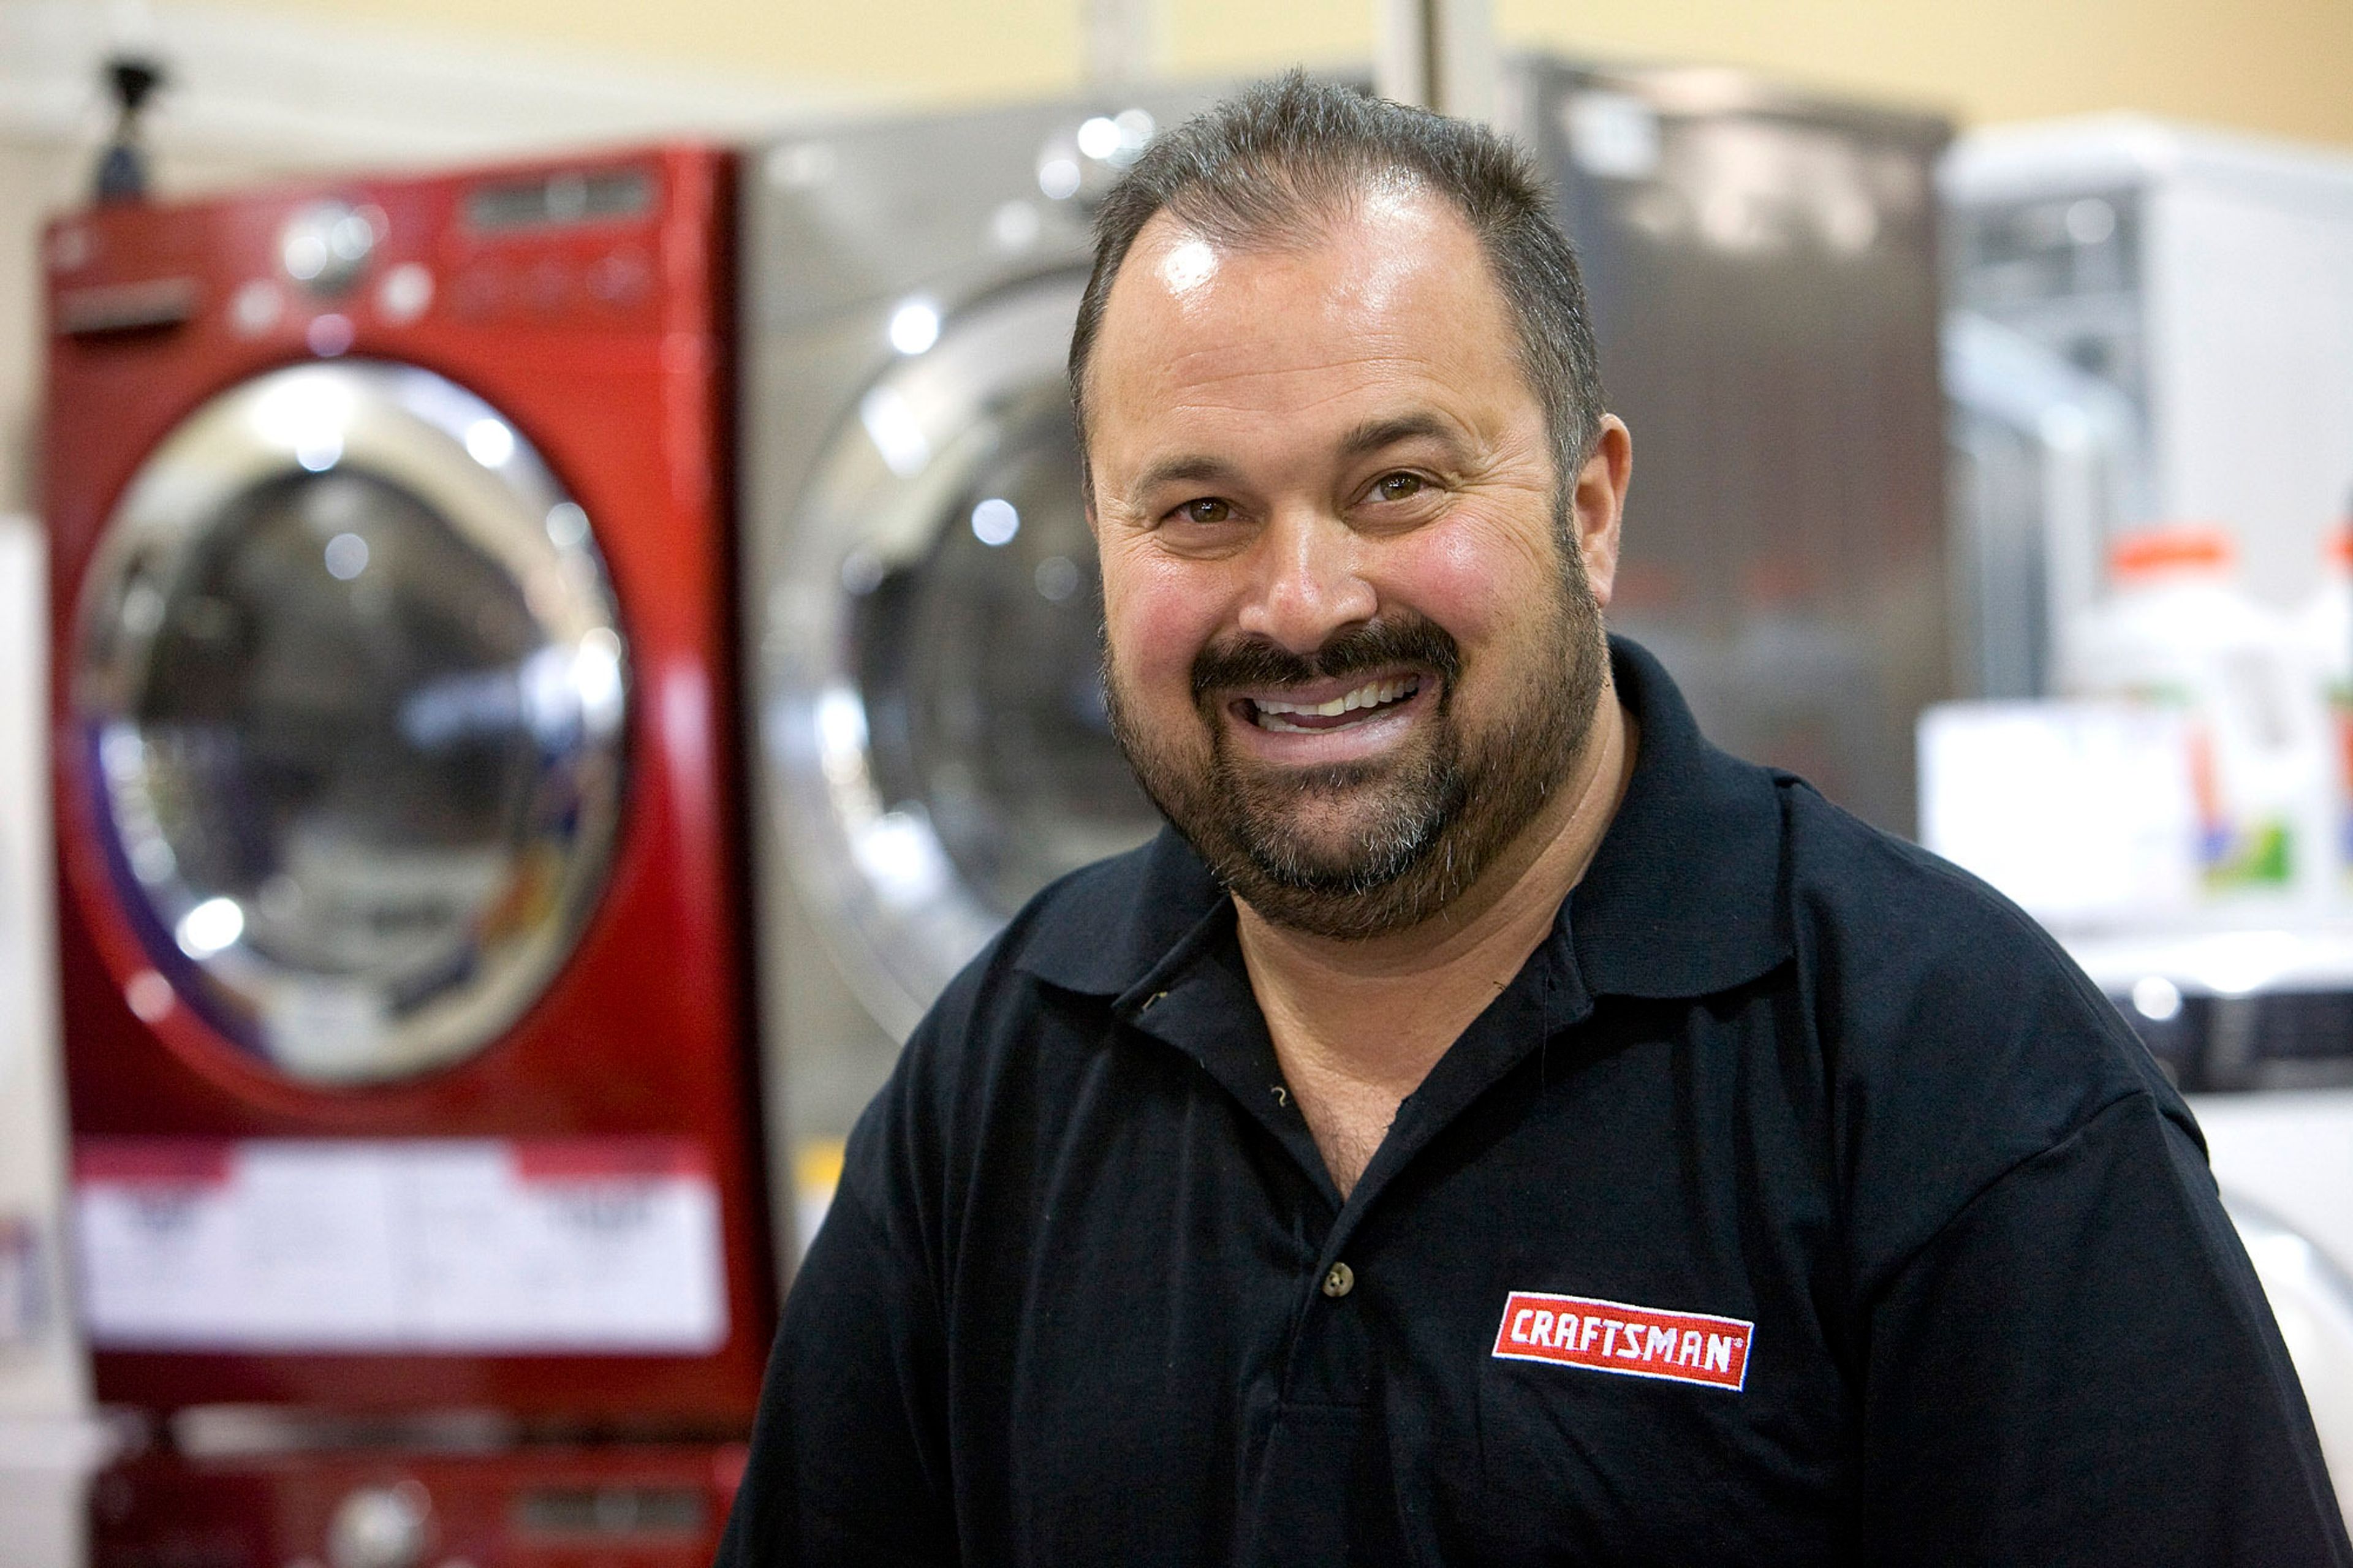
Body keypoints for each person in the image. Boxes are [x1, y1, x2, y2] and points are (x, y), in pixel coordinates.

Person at [719, 75, 2351, 1564]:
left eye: (1398, 485)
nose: (1300, 604)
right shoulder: (1002, 1068)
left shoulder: (1958, 1074)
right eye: (1202, 509)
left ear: (1589, 510)